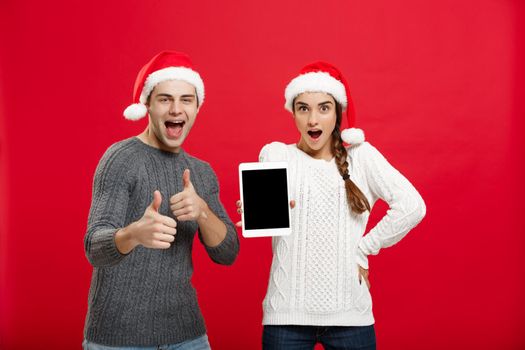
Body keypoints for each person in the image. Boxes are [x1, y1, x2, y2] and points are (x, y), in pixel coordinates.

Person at [237, 61, 426, 349]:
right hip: (286, 316)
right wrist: (254, 212)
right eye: (304, 108)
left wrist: (364, 249)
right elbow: (266, 221)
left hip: (350, 315)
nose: (313, 119)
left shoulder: (362, 157)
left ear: (337, 113)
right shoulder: (276, 155)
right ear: (294, 113)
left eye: (324, 108)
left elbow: (412, 205)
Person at [83, 51, 239, 350]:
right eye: (165, 99)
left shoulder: (201, 173)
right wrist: (134, 234)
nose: (176, 109)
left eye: (186, 100)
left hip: (187, 335)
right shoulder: (120, 159)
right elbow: (94, 247)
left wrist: (203, 211)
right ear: (147, 105)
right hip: (119, 338)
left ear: (196, 107)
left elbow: (227, 253)